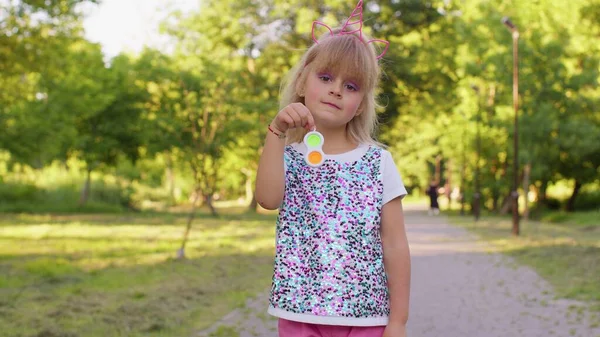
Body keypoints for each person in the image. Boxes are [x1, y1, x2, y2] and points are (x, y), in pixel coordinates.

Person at [255, 1, 410, 336]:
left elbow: (395, 244)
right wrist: (276, 132)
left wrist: (398, 321)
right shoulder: (287, 155)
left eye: (351, 86)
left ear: (360, 105)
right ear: (301, 83)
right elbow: (267, 199)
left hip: (365, 319)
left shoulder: (377, 163)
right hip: (298, 313)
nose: (336, 89)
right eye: (325, 77)